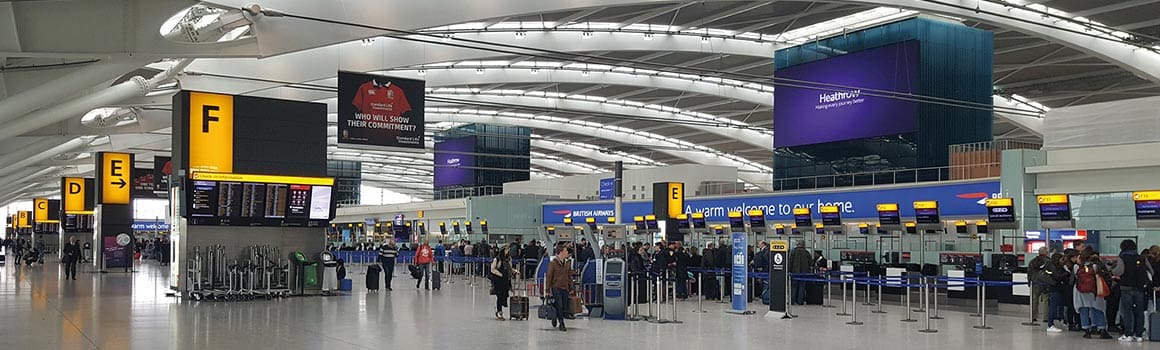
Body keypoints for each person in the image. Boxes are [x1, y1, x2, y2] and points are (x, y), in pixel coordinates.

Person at [1112, 239, 1153, 342]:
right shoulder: (1142, 258)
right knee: (1139, 311)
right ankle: (1139, 335)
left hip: (1126, 287)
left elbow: (1119, 271)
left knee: (1127, 311)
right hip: (1140, 287)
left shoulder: (1122, 257)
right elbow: (1151, 271)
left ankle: (1128, 334)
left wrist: (1112, 270)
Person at [1072, 252, 1113, 339]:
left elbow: (1073, 279)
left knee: (1084, 310)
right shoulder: (1094, 266)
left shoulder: (1076, 267)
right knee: (1098, 309)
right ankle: (1102, 330)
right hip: (1094, 291)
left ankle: (1087, 331)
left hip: (1080, 292)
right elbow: (1101, 277)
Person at [545, 246, 573, 331]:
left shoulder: (567, 263)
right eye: (565, 251)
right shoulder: (553, 263)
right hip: (556, 287)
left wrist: (571, 287)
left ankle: (555, 316)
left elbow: (569, 276)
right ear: (560, 252)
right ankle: (561, 323)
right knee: (560, 305)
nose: (567, 252)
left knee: (564, 306)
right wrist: (547, 289)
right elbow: (549, 276)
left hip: (565, 287)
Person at [490, 245, 518, 320]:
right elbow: (492, 269)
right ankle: (499, 311)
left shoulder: (508, 259)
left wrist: (514, 271)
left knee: (504, 296)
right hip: (498, 280)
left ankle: (499, 310)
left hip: (505, 280)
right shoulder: (497, 259)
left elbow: (510, 268)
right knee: (499, 296)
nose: (508, 251)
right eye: (506, 249)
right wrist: (500, 274)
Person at [1028, 247, 1051, 321]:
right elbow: (1050, 272)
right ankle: (1045, 317)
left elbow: (1029, 272)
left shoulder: (1032, 261)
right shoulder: (1048, 261)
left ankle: (1033, 316)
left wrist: (1029, 281)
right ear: (1046, 253)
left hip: (1034, 283)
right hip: (1045, 283)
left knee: (1034, 300)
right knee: (1045, 300)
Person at [788, 241, 814, 305]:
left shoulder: (793, 251)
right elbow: (811, 262)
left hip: (794, 272)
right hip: (804, 273)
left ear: (797, 244)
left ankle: (792, 301)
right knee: (802, 286)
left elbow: (790, 262)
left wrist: (789, 271)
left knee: (793, 286)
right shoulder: (806, 252)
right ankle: (800, 301)